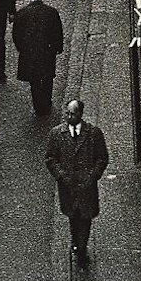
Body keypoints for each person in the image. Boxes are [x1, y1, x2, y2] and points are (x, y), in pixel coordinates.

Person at [44, 99, 109, 265]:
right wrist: (61, 175)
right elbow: (50, 158)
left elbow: (102, 158)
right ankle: (76, 241)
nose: (69, 117)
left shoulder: (94, 134)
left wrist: (93, 176)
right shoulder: (57, 134)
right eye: (67, 113)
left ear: (81, 114)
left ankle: (81, 249)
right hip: (68, 185)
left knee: (86, 218)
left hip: (86, 186)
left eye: (73, 113)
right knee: (73, 215)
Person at [11, 0, 64, 117]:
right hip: (47, 51)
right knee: (47, 77)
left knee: (34, 80)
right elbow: (57, 32)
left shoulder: (21, 14)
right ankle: (46, 102)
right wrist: (58, 47)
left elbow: (16, 35)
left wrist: (22, 49)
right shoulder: (51, 12)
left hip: (29, 52)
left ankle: (38, 107)